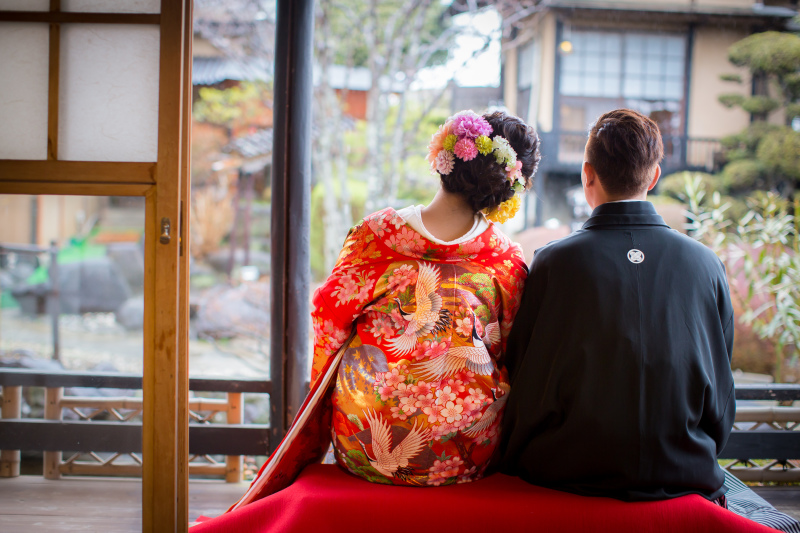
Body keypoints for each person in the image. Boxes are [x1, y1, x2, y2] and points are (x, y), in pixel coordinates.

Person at [497, 108, 800, 532]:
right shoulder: (706, 264)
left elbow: (523, 375)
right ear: (654, 176)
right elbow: (720, 385)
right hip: (683, 468)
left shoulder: (554, 262)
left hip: (565, 469)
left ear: (588, 175)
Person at [308, 110, 539, 486]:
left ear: (444, 157)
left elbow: (327, 318)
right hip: (466, 453)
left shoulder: (376, 237)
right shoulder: (504, 259)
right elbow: (509, 347)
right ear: (506, 186)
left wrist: (323, 390)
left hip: (365, 447)